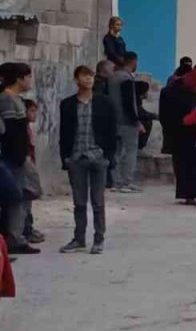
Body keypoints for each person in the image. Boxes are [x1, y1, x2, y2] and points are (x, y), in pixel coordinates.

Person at [58, 65, 117, 254]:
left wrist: (108, 156)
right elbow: (64, 132)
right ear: (77, 80)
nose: (89, 79)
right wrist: (65, 157)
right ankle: (79, 238)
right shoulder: (67, 104)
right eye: (84, 76)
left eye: (91, 76)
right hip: (76, 157)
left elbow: (111, 131)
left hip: (98, 156)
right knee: (79, 202)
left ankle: (98, 239)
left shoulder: (105, 102)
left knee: (98, 202)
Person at [0, 64, 36, 254]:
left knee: (24, 195)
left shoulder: (17, 100)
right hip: (13, 159)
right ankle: (14, 239)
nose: (30, 81)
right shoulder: (6, 100)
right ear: (19, 78)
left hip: (20, 157)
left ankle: (17, 236)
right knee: (15, 197)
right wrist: (18, 156)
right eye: (28, 77)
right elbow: (10, 133)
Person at [159, 68, 196, 203]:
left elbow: (163, 114)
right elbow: (194, 114)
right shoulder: (191, 94)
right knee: (191, 164)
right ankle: (191, 193)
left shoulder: (166, 91)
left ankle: (184, 192)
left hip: (173, 132)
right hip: (190, 132)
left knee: (179, 163)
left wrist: (167, 129)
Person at [107, 51, 142, 192]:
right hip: (127, 121)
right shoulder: (126, 78)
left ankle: (116, 182)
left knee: (116, 151)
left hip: (113, 120)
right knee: (130, 151)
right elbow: (128, 102)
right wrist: (136, 121)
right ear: (133, 62)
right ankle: (126, 182)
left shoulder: (112, 77)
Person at [21, 99, 44, 246]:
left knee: (28, 202)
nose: (35, 114)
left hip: (29, 165)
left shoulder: (28, 128)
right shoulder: (22, 129)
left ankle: (29, 229)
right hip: (24, 168)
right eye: (32, 111)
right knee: (25, 202)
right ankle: (26, 231)